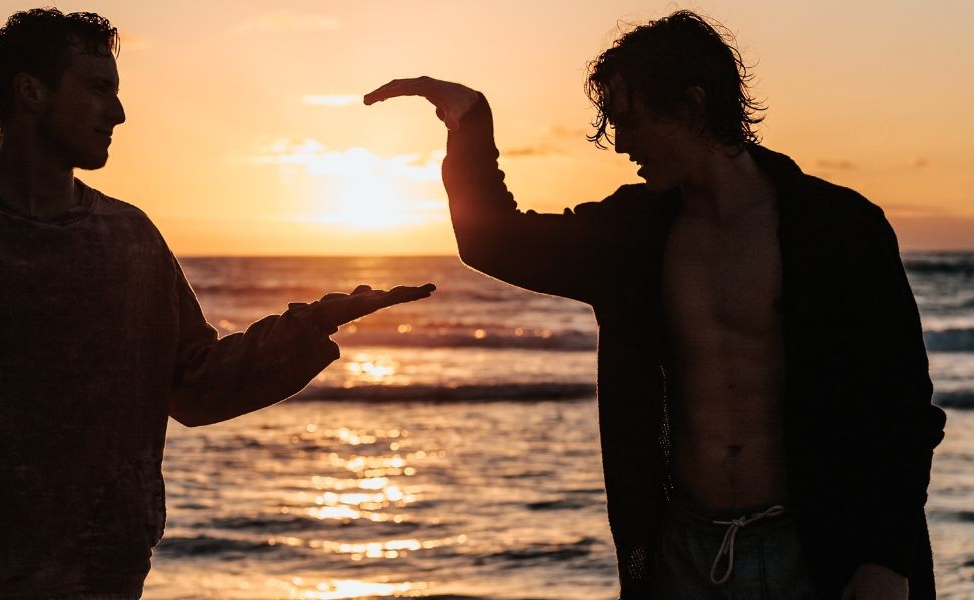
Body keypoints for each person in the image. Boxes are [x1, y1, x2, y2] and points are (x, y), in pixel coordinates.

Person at [0, 8, 434, 600]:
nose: (120, 111)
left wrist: (312, 325)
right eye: (97, 88)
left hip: (93, 572)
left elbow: (194, 384)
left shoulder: (129, 241)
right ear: (31, 93)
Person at [366, 10, 944, 600]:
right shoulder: (632, 236)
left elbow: (903, 405)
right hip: (681, 556)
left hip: (819, 548)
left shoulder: (839, 228)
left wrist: (886, 558)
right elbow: (494, 240)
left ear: (692, 107)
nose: (620, 144)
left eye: (631, 121)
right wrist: (470, 125)